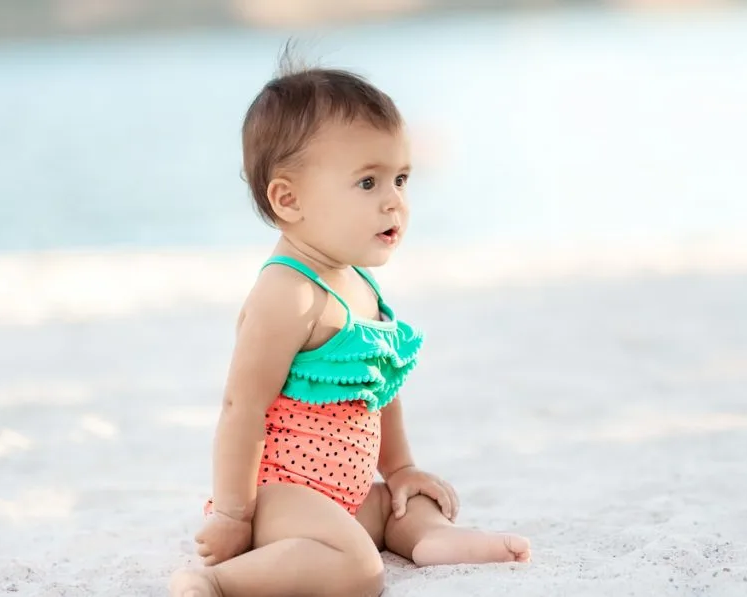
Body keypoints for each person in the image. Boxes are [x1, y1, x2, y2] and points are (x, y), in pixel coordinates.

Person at [169, 50, 530, 597]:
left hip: (349, 491)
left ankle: (429, 538)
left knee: (407, 501)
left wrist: (403, 466)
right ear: (289, 200)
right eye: (368, 183)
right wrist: (233, 514)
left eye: (401, 180)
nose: (395, 203)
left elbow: (379, 389)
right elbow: (241, 409)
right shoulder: (286, 294)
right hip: (280, 495)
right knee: (358, 571)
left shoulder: (358, 281)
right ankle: (215, 582)